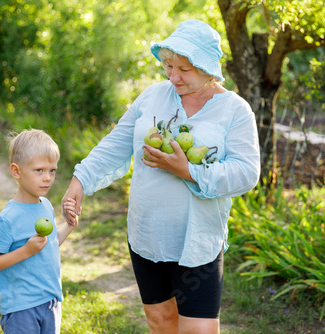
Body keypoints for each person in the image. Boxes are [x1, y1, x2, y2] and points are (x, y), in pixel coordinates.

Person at [62, 19, 260, 333]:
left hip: (198, 240)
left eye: (183, 68)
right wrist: (80, 180)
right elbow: (116, 143)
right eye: (168, 65)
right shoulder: (153, 97)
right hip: (147, 233)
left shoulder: (234, 111)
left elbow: (246, 172)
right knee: (161, 323)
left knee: (199, 330)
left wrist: (188, 170)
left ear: (206, 66)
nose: (173, 75)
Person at [0, 129, 78, 334]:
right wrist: (25, 251)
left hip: (50, 301)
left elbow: (48, 245)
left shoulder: (46, 206)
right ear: (16, 171)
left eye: (52, 170)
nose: (48, 178)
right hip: (21, 308)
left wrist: (69, 225)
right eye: (39, 170)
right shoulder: (8, 219)